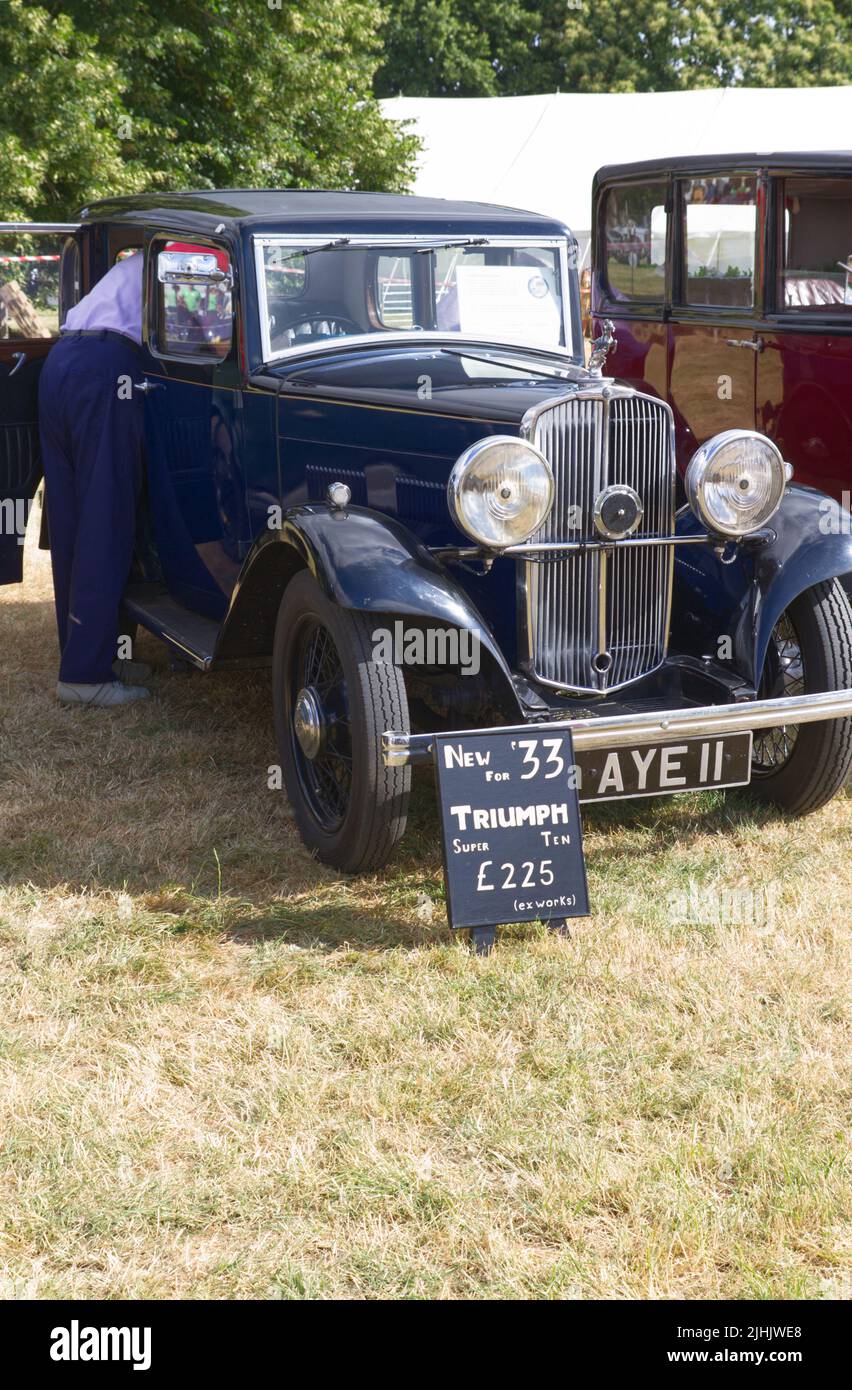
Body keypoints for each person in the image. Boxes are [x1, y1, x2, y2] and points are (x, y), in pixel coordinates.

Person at [38, 251, 152, 706]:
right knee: (106, 516)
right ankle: (85, 675)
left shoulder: (136, 262)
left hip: (62, 359)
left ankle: (91, 655)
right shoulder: (189, 259)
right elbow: (208, 337)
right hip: (106, 367)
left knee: (71, 517)